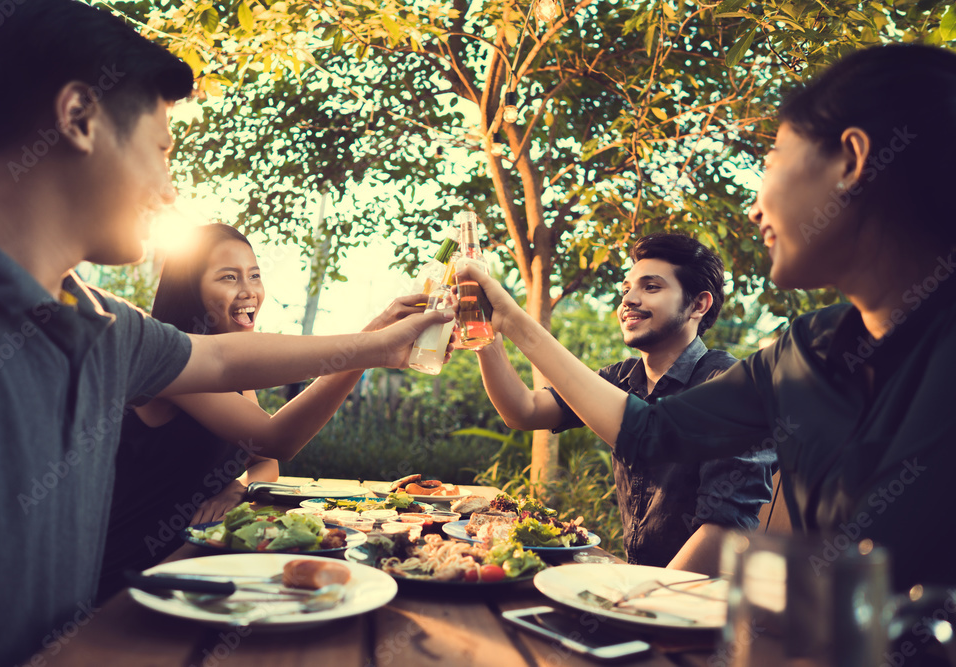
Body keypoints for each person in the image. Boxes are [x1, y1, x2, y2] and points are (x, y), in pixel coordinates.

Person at [0, 2, 450, 664]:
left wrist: (381, 344)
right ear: (79, 119)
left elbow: (221, 362)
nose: (167, 186)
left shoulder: (107, 327)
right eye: (160, 150)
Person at [461, 43, 956, 591]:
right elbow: (648, 433)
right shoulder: (799, 354)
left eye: (770, 163)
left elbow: (728, 527)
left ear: (851, 162)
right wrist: (494, 322)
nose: (754, 208)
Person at [97, 224, 430, 600]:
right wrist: (374, 348)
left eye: (254, 275)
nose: (248, 290)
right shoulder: (174, 365)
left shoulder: (234, 368)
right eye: (228, 277)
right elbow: (278, 438)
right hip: (133, 578)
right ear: (191, 290)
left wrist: (237, 487)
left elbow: (264, 458)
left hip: (197, 562)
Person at [475, 233, 775, 574]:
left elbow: (722, 532)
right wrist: (483, 333)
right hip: (634, 578)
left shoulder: (731, 387)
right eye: (626, 289)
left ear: (698, 305)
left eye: (651, 287)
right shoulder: (621, 379)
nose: (629, 300)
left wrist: (642, 604)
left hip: (696, 602)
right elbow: (524, 410)